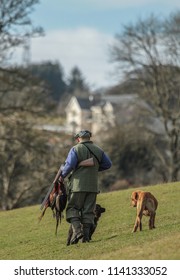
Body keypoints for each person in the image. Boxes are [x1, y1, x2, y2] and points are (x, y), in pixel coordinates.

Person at [59, 130, 112, 245]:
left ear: (78, 139)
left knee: (72, 209)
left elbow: (69, 165)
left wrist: (61, 176)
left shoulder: (76, 149)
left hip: (78, 186)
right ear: (89, 138)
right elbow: (108, 164)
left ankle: (77, 231)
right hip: (93, 186)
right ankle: (86, 237)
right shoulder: (99, 149)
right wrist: (94, 169)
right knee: (88, 211)